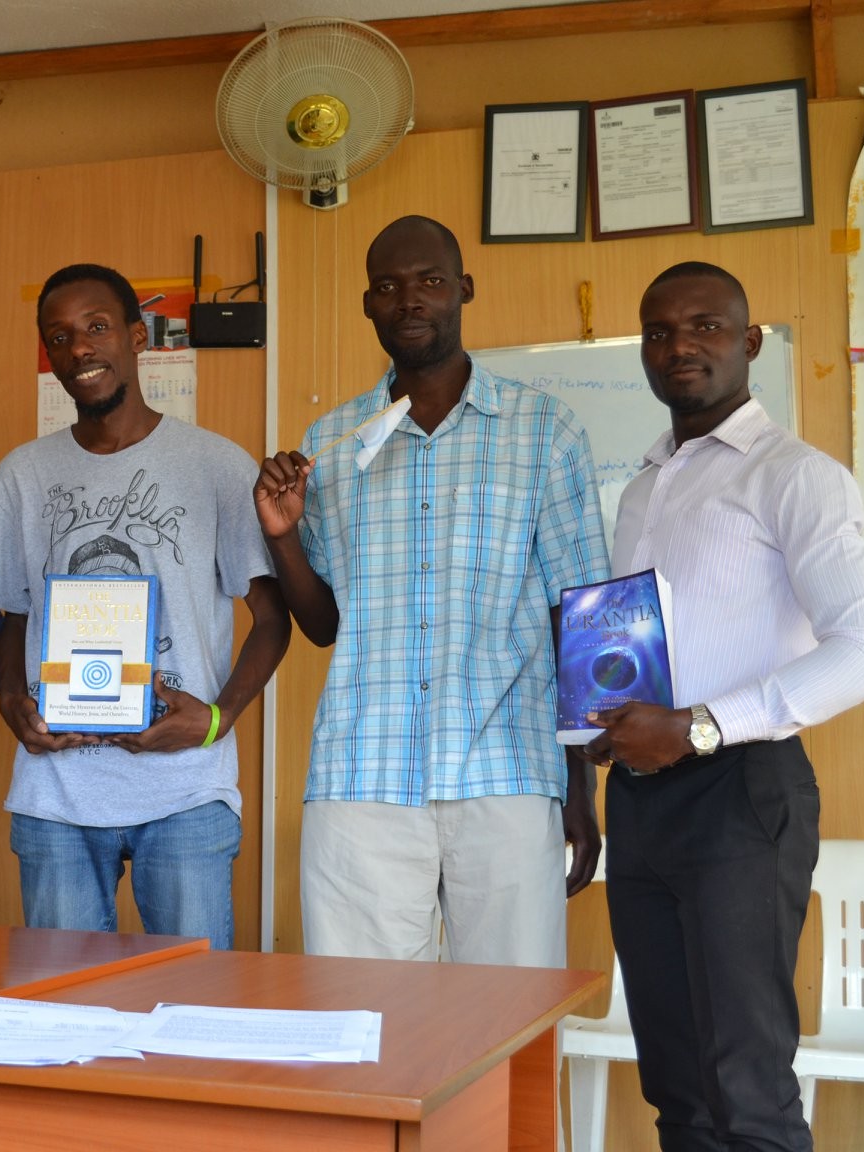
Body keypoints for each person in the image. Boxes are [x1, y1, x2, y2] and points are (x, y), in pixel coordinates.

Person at [586, 262, 864, 1151]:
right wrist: (616, 726)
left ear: (750, 342)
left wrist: (696, 726)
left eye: (706, 326)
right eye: (658, 332)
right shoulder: (641, 490)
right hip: (640, 800)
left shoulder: (796, 477)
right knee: (676, 1089)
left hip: (742, 794)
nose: (679, 346)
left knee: (746, 1093)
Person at [254, 215, 608, 966]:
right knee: (364, 1019)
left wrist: (579, 788)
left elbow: (579, 618)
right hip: (362, 774)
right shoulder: (330, 445)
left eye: (430, 281)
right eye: (388, 286)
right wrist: (282, 537)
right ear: (367, 305)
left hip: (509, 772)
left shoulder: (545, 431)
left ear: (463, 290)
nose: (409, 300)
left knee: (511, 1015)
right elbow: (323, 625)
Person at [0, 263, 290, 952]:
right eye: (60, 337)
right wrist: (9, 701)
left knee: (192, 1002)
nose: (80, 348)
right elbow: (14, 616)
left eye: (96, 327)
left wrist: (217, 719)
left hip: (185, 791)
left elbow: (272, 621)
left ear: (137, 335)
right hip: (57, 789)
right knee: (62, 1001)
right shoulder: (21, 476)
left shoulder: (217, 466)